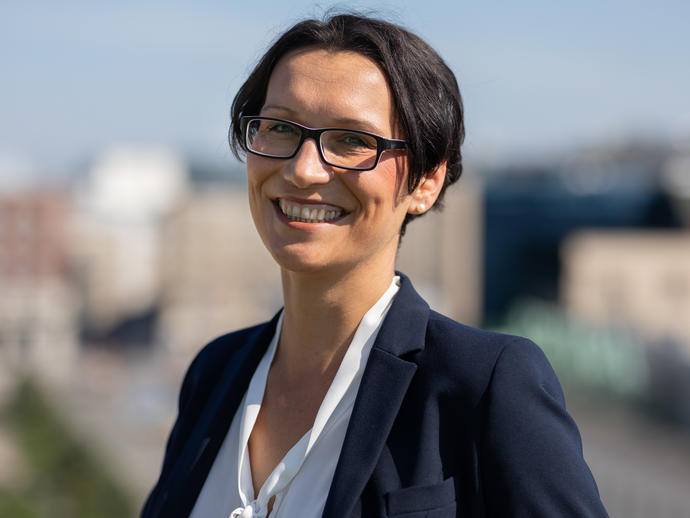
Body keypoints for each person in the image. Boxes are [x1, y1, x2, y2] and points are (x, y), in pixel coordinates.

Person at [142, 13, 608, 518]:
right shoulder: (215, 372)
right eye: (279, 127)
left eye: (352, 140)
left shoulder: (482, 384)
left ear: (427, 181)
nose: (303, 169)